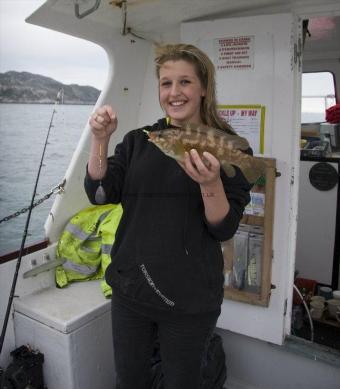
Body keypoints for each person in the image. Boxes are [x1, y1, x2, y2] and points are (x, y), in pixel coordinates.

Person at [84, 43, 252, 389]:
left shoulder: (233, 148)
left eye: (185, 82)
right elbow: (100, 194)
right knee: (129, 381)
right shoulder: (139, 141)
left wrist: (210, 183)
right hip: (131, 293)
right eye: (166, 83)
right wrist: (99, 140)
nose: (174, 93)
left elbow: (223, 228)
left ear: (203, 87)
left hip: (190, 301)